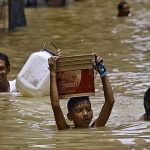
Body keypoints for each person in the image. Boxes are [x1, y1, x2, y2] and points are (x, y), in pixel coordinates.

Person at [49, 53, 115, 130]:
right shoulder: (65, 129)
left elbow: (110, 102)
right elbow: (55, 106)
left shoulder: (96, 126)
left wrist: (102, 71)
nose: (85, 114)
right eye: (79, 110)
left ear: (92, 113)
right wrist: (52, 73)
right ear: (70, 116)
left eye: (88, 109)